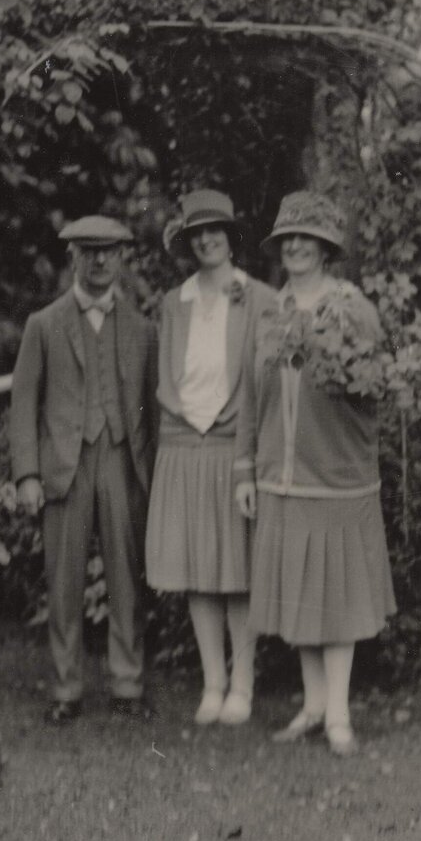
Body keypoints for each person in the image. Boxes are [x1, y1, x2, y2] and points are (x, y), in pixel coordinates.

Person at [234, 191, 396, 755]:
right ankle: (311, 705)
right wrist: (247, 470)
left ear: (327, 248)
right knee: (301, 597)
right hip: (281, 478)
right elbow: (251, 398)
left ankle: (340, 715)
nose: (296, 245)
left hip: (337, 476)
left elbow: (374, 391)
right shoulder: (270, 312)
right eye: (288, 238)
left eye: (307, 237)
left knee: (337, 599)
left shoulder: (352, 308)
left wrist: (334, 360)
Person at [11, 214, 158, 724]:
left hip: (122, 461)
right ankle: (66, 688)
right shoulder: (44, 324)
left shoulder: (142, 328)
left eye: (109, 252)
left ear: (122, 259)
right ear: (72, 257)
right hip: (65, 466)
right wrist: (28, 474)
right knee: (65, 581)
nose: (99, 261)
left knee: (126, 577)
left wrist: (154, 475)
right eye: (89, 251)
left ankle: (127, 682)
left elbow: (151, 407)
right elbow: (24, 402)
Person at [145, 190, 276, 726]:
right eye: (197, 233)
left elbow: (266, 385)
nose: (206, 239)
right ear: (188, 242)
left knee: (237, 571)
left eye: (215, 229)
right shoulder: (173, 304)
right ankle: (212, 683)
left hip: (233, 447)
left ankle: (242, 686)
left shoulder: (261, 298)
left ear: (231, 235)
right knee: (199, 571)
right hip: (184, 446)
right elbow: (165, 379)